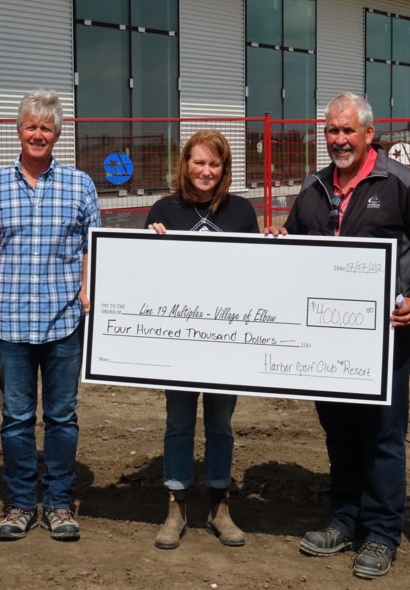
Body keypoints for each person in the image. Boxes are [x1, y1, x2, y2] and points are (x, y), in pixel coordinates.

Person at [265, 92, 410, 580]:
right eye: (331, 130)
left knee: (383, 434)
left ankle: (382, 533)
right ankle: (345, 520)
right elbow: (297, 244)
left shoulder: (404, 185)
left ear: (370, 133)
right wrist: (281, 242)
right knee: (339, 429)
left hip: (385, 335)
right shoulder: (314, 187)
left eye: (348, 130)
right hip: (324, 338)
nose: (339, 139)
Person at [0, 90, 100, 542]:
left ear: (57, 134)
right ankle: (22, 503)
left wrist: (86, 288)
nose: (37, 134)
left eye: (46, 127)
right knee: (17, 418)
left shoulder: (80, 184)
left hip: (64, 322)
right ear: (19, 130)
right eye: (30, 126)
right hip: (9, 323)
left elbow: (91, 246)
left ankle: (59, 503)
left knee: (62, 417)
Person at [144, 129, 259, 550]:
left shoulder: (242, 212)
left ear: (224, 169)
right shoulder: (163, 210)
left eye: (214, 164)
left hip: (226, 344)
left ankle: (219, 506)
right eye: (199, 162)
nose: (206, 171)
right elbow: (145, 280)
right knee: (178, 423)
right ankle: (176, 506)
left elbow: (256, 277)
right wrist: (148, 244)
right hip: (179, 344)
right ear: (185, 165)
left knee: (221, 425)